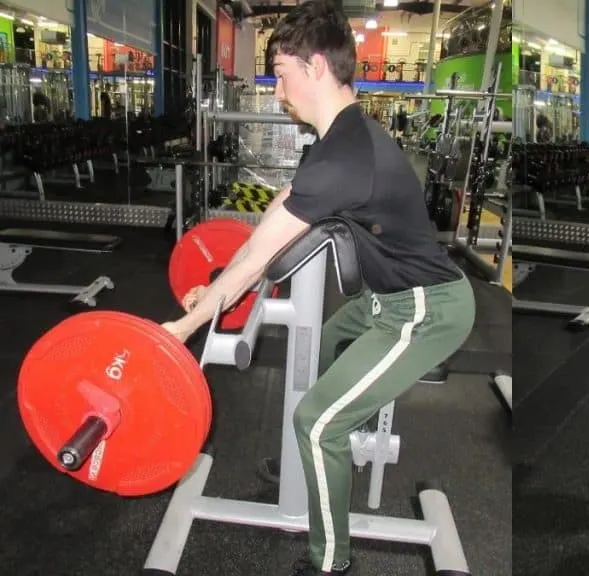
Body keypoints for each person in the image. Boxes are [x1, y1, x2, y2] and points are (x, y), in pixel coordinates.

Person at [160, 2, 476, 574]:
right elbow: (275, 217)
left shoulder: (347, 154)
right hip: (381, 302)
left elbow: (259, 258)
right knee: (327, 341)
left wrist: (184, 326)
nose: (278, 93)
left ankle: (330, 560)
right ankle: (323, 460)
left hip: (425, 311)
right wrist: (214, 287)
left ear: (314, 68)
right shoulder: (341, 137)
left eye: (281, 75)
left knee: (317, 420)